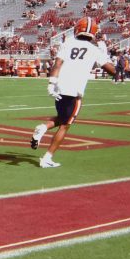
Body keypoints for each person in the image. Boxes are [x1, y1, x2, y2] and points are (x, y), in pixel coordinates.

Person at [31, 17, 117, 168]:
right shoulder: (94, 50)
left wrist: (51, 83)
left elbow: (57, 64)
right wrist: (105, 54)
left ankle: (44, 127)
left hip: (60, 88)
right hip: (75, 91)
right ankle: (47, 158)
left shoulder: (67, 43)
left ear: (78, 29)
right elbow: (112, 71)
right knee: (65, 125)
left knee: (63, 117)